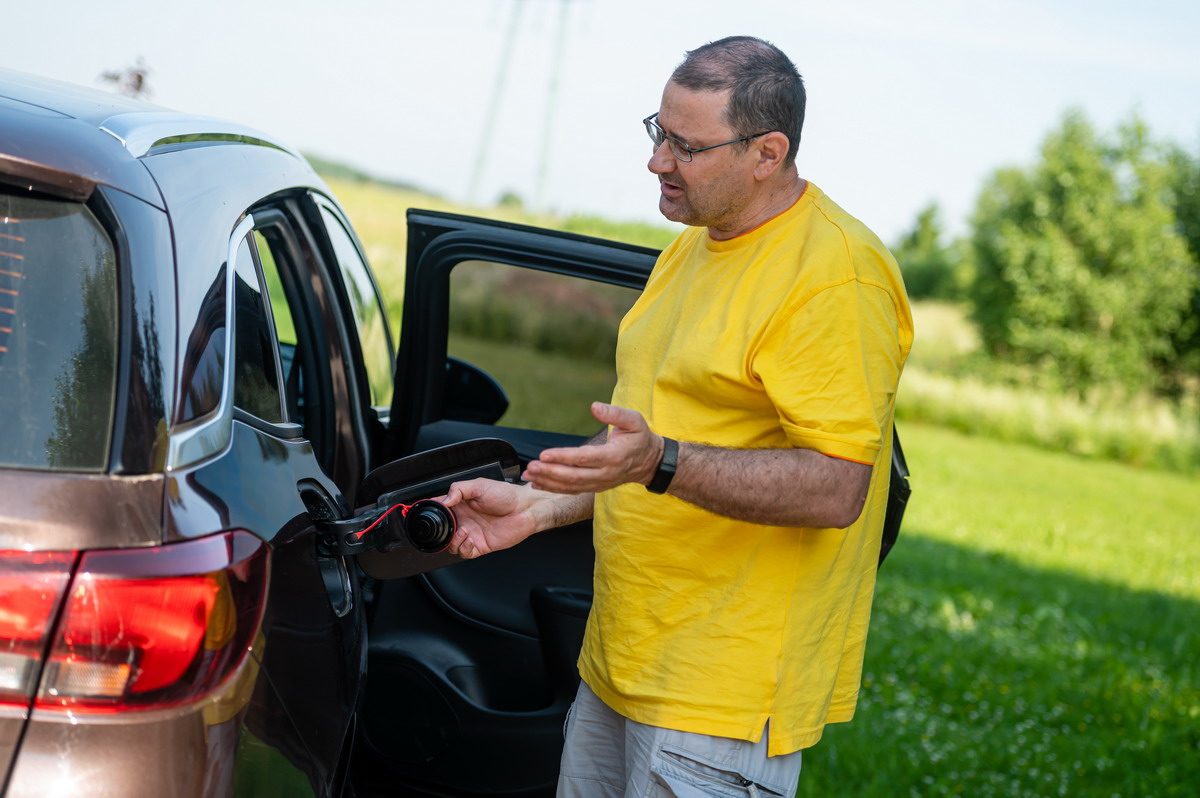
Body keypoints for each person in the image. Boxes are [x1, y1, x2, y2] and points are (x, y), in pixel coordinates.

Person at [443, 35, 913, 797]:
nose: (658, 161)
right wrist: (535, 506)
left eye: (686, 146)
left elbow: (838, 486)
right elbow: (638, 444)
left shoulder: (835, 276)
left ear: (767, 152)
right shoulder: (690, 248)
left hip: (719, 699)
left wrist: (661, 462)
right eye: (658, 132)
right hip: (620, 664)